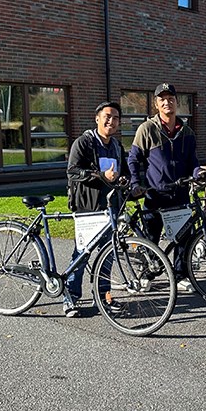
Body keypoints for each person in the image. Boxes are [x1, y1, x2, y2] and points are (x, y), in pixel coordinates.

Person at [127, 83, 203, 292]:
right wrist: (135, 183)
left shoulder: (187, 131)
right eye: (162, 99)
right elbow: (133, 159)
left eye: (170, 98)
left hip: (180, 192)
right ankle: (148, 274)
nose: (167, 102)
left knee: (183, 237)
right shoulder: (147, 129)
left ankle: (180, 275)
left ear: (177, 102)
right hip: (155, 194)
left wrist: (198, 174)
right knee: (151, 238)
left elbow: (192, 161)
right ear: (156, 104)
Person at [63, 101, 129, 317]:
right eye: (108, 116)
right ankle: (70, 298)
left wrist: (128, 182)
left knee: (108, 256)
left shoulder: (117, 146)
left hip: (110, 209)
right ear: (97, 118)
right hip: (87, 209)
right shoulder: (84, 142)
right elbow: (72, 171)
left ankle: (103, 297)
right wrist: (101, 176)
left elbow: (124, 171)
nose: (112, 121)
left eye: (116, 118)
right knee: (81, 255)